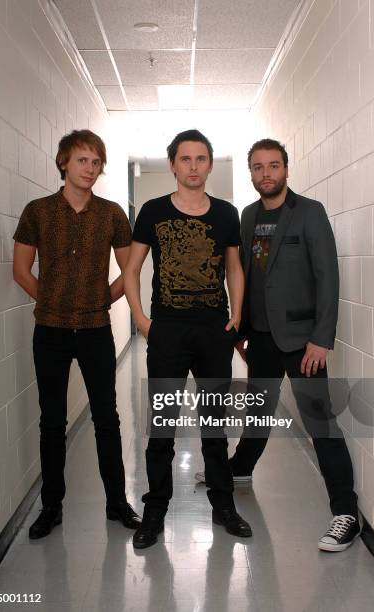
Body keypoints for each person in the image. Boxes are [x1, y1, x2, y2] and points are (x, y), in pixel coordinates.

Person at [195, 138, 360, 552]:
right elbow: (247, 276)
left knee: (320, 422)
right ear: (250, 173)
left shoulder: (309, 213)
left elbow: (328, 277)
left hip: (304, 343)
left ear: (286, 168)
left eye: (273, 166)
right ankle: (240, 468)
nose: (266, 174)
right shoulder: (248, 216)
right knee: (259, 412)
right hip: (262, 339)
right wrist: (242, 331)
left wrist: (322, 339)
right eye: (258, 167)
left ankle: (346, 513)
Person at [124, 129, 252, 549]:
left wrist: (235, 315)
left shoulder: (226, 213)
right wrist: (142, 319)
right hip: (167, 331)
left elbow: (234, 267)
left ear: (210, 165)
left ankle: (224, 505)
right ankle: (155, 509)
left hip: (213, 331)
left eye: (201, 159)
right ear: (173, 164)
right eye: (185, 159)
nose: (193, 166)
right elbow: (132, 269)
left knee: (214, 425)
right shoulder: (153, 211)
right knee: (162, 426)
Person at [13, 129, 141, 539]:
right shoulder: (37, 211)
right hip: (48, 331)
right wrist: (52, 299)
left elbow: (130, 271)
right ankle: (52, 508)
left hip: (95, 331)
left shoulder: (111, 214)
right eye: (82, 160)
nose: (89, 168)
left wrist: (100, 299)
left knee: (107, 418)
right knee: (52, 422)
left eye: (96, 162)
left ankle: (118, 504)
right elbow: (20, 270)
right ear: (64, 162)